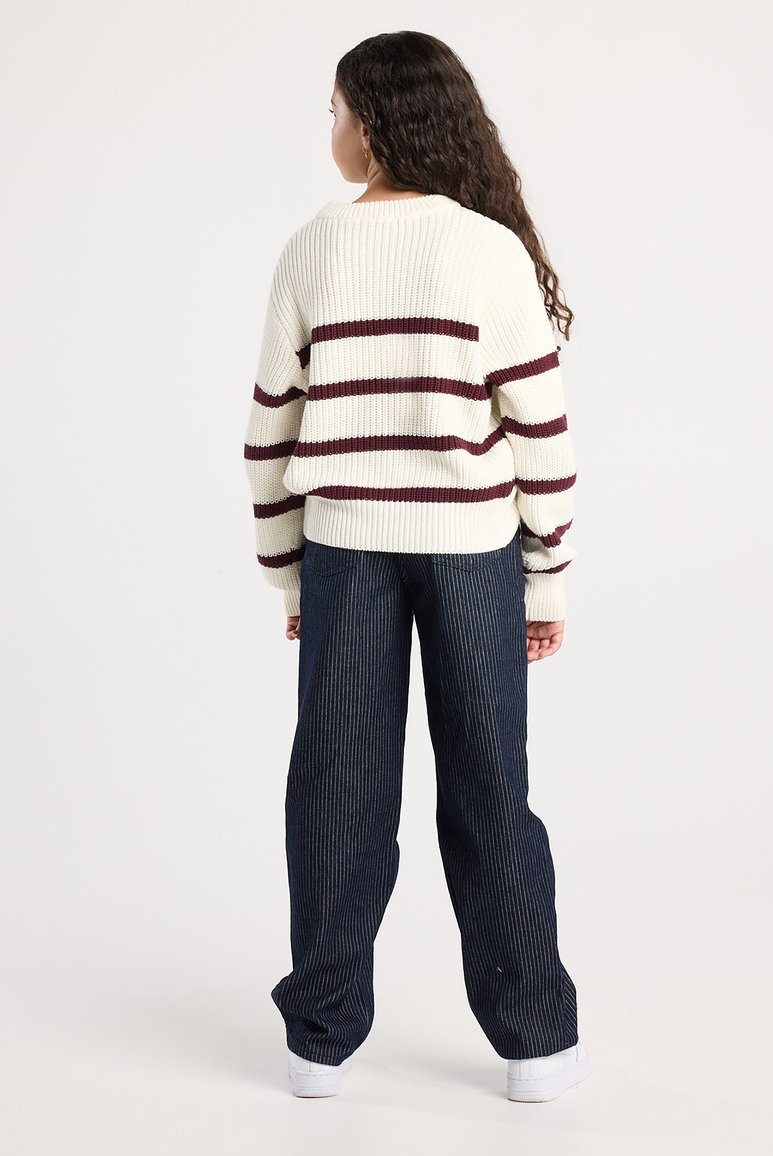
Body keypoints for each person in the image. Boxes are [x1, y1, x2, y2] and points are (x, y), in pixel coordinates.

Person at [243, 31, 592, 1103]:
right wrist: (546, 577)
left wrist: (289, 574)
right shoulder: (487, 250)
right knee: (491, 789)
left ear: (376, 124)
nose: (332, 129)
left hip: (345, 552)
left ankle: (319, 1042)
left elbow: (269, 430)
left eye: (337, 110)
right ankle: (535, 1044)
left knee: (336, 793)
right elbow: (541, 435)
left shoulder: (313, 248)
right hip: (473, 555)